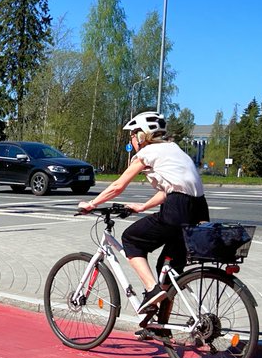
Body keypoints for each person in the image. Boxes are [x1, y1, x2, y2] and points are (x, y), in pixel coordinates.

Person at [78, 111, 209, 313]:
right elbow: (169, 190)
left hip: (177, 210)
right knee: (167, 271)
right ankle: (159, 326)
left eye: (132, 134)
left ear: (141, 135)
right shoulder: (174, 150)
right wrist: (142, 207)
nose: (131, 138)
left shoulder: (147, 153)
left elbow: (117, 186)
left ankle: (151, 289)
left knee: (131, 239)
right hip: (199, 210)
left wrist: (92, 204)